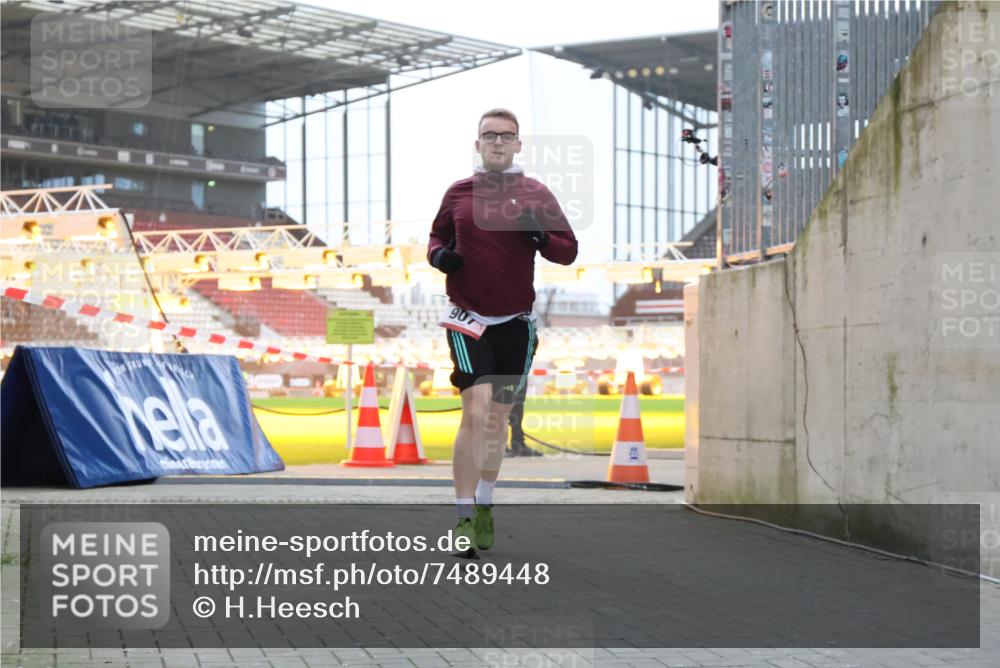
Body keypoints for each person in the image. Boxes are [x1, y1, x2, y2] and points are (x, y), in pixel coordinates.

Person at [428, 108, 577, 557]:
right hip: (467, 319)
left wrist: (541, 238)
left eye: (505, 136)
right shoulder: (459, 193)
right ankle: (463, 517)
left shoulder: (535, 193)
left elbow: (568, 251)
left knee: (494, 423)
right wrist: (440, 258)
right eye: (488, 135)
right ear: (477, 144)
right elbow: (435, 238)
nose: (496, 142)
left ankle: (487, 503)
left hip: (515, 322)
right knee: (473, 415)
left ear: (518, 145)